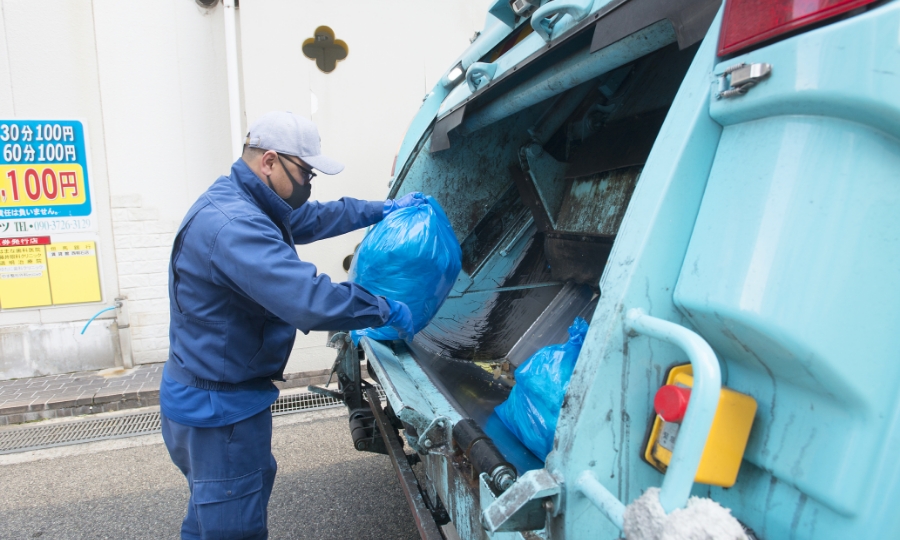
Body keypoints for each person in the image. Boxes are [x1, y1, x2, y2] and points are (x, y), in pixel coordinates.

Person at [159, 111, 426, 539]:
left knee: (211, 517)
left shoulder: (244, 199)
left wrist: (384, 210)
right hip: (219, 415)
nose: (309, 184)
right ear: (269, 161)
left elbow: (316, 218)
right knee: (231, 526)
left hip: (209, 399)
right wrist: (386, 309)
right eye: (305, 173)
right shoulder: (236, 226)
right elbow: (310, 299)